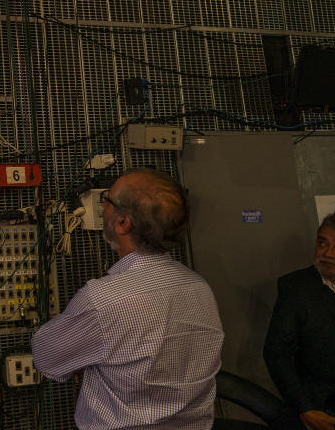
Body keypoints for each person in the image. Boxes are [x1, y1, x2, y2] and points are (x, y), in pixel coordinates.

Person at [32, 168, 224, 430]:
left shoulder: (102, 300)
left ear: (123, 224)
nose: (101, 205)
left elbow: (46, 357)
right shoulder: (199, 288)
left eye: (107, 200)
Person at [264, 214, 335, 430]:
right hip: (331, 400)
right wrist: (306, 408)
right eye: (322, 243)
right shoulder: (298, 288)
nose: (327, 253)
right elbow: (277, 353)